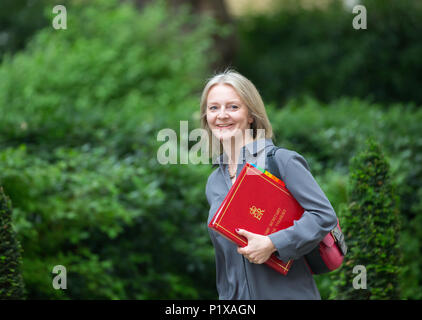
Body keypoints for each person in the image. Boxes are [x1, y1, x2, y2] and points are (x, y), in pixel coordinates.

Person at [200, 69, 338, 300]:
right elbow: (224, 264)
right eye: (214, 108)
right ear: (206, 116)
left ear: (251, 115)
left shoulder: (281, 161)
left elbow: (323, 215)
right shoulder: (214, 181)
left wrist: (273, 243)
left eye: (233, 107)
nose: (222, 115)